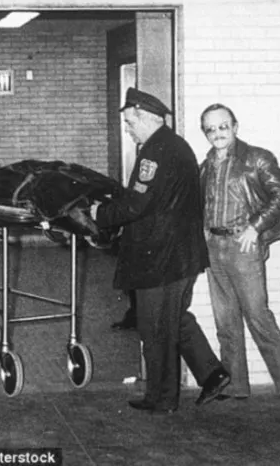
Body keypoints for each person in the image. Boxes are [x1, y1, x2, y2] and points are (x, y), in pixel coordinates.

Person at [90, 87, 231, 414]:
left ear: (146, 117)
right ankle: (212, 374)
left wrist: (101, 214)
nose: (128, 129)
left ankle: (162, 398)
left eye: (130, 122)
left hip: (162, 257)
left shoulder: (154, 152)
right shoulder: (174, 145)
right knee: (173, 318)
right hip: (179, 254)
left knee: (155, 327)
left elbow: (137, 204)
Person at [199, 103, 280, 410]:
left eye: (223, 126)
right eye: (210, 129)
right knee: (225, 321)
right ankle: (235, 385)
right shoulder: (205, 165)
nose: (217, 133)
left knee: (259, 318)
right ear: (205, 133)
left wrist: (255, 228)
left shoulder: (257, 158)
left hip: (243, 249)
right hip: (214, 248)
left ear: (235, 126)